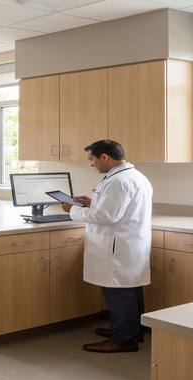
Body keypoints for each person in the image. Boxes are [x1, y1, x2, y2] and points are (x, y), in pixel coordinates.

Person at [59, 140, 153, 353]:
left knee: (118, 293)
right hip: (128, 244)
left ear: (104, 157)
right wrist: (93, 202)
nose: (91, 164)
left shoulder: (118, 181)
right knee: (130, 291)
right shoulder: (133, 176)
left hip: (117, 247)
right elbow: (119, 208)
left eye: (92, 159)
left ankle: (123, 340)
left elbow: (107, 216)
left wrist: (71, 210)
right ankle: (132, 331)